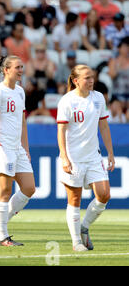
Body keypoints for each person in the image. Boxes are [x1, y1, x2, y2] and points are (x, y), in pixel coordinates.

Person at [56, 64, 115, 251]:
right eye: (87, 78)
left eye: (92, 77)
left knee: (104, 195)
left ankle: (84, 227)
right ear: (76, 81)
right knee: (74, 199)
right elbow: (61, 131)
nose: (91, 81)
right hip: (74, 157)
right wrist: (64, 157)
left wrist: (110, 153)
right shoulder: (67, 101)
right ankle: (76, 242)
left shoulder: (98, 98)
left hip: (93, 156)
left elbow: (104, 127)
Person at [0, 55, 36, 247]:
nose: (21, 70)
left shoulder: (20, 92)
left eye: (22, 67)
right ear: (6, 70)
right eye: (17, 67)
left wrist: (26, 147)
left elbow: (22, 121)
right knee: (5, 191)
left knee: (29, 188)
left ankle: (0, 223)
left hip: (18, 148)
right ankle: (3, 237)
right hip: (2, 146)